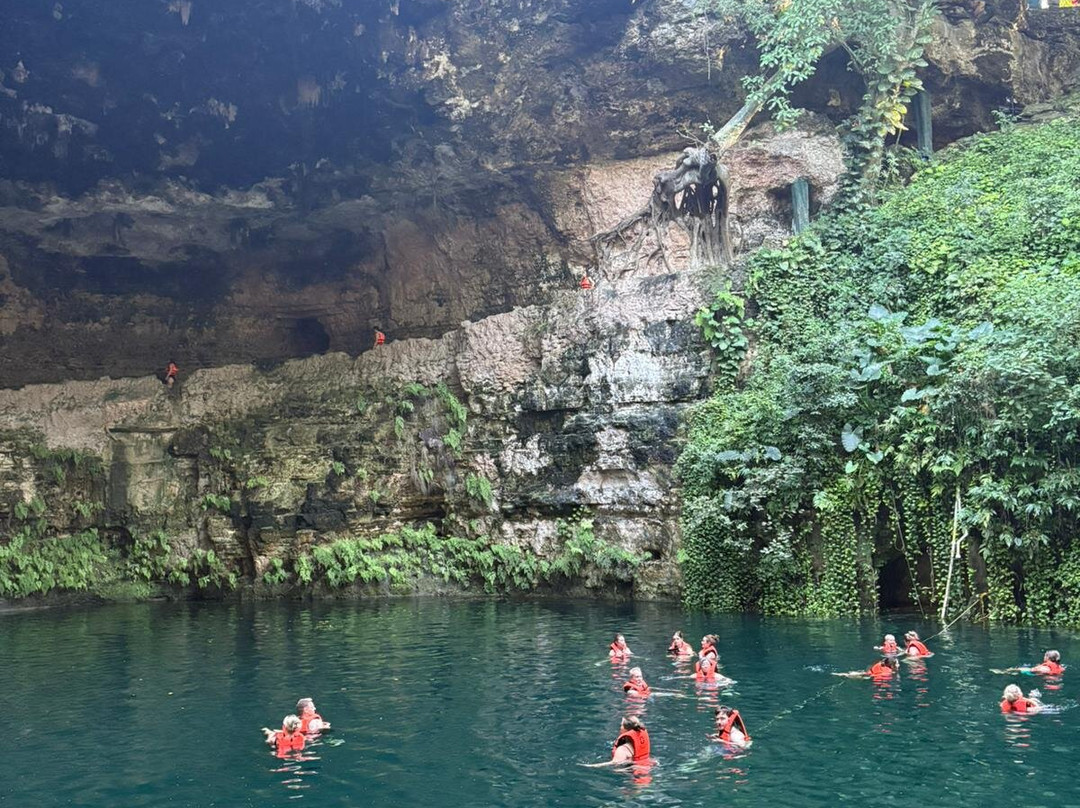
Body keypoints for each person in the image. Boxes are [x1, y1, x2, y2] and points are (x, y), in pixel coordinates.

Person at [585, 716, 651, 767]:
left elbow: (615, 763)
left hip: (630, 774)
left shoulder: (622, 749)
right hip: (645, 766)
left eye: (621, 725)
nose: (620, 727)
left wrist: (592, 766)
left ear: (625, 729)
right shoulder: (638, 743)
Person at [834, 656, 900, 679]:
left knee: (859, 673)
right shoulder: (888, 671)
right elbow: (878, 677)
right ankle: (843, 674)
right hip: (868, 676)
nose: (898, 664)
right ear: (892, 665)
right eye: (897, 663)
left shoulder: (882, 663)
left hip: (868, 672)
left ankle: (842, 674)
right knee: (852, 676)